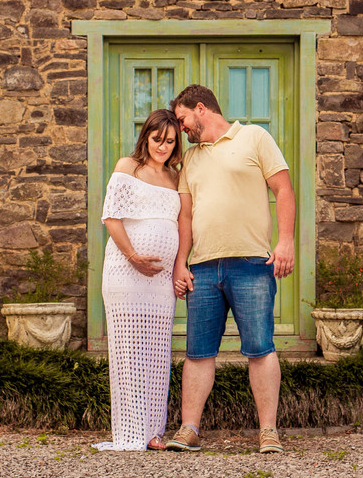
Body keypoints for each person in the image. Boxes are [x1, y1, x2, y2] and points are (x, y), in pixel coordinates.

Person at [164, 84, 295, 455]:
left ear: (201, 108)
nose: (181, 128)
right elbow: (185, 215)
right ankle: (189, 429)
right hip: (203, 269)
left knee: (260, 348)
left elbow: (284, 190)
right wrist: (180, 263)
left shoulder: (255, 137)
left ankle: (268, 432)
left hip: (252, 263)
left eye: (182, 119)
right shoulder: (191, 159)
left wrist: (285, 241)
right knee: (198, 352)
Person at [95, 109, 183, 451]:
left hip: (160, 281)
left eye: (170, 141)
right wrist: (133, 256)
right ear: (146, 137)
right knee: (129, 354)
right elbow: (111, 217)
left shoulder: (175, 176)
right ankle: (130, 431)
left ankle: (152, 432)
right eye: (157, 139)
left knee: (157, 354)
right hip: (125, 273)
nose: (163, 146)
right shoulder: (127, 167)